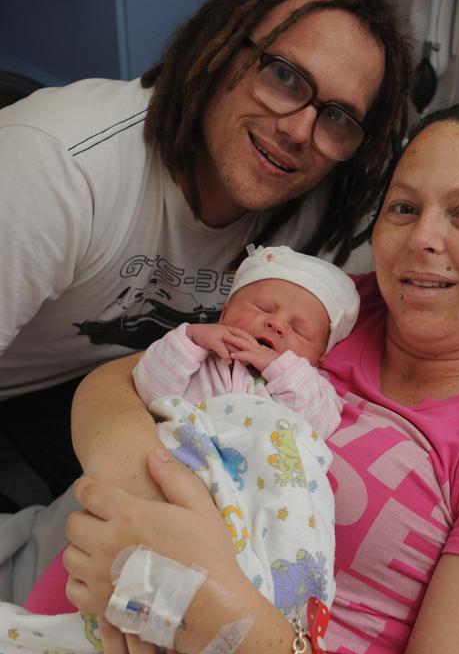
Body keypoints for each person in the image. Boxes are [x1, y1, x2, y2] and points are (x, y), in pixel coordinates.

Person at [0, 0, 459, 510]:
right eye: (283, 77)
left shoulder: (326, 185)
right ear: (220, 48)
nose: (299, 130)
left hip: (135, 394)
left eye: (338, 115)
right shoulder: (55, 168)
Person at [61, 101, 459, 654]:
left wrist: (204, 608)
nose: (422, 239)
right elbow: (115, 383)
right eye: (403, 207)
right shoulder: (331, 312)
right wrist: (144, 512)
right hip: (83, 620)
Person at [24, 244, 359, 622]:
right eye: (262, 308)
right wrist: (189, 339)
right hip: (184, 480)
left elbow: (319, 423)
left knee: (250, 570)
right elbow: (150, 389)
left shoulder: (308, 384)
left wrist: (281, 367)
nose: (276, 324)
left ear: (318, 357)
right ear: (226, 310)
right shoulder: (200, 357)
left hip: (256, 499)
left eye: (299, 330)